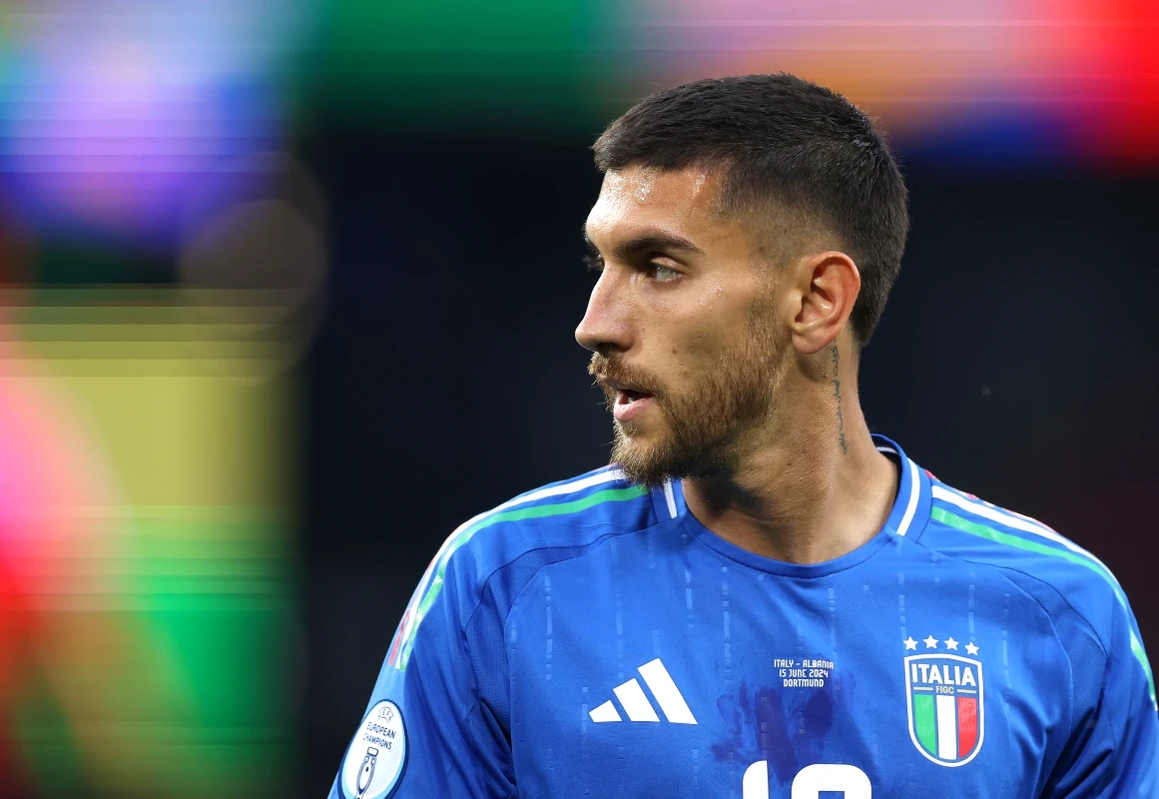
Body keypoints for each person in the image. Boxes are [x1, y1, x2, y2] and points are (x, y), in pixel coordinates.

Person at [326, 74, 1158, 798]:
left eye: (659, 267)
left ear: (817, 301)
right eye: (599, 266)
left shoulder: (1057, 612)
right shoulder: (505, 587)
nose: (595, 323)